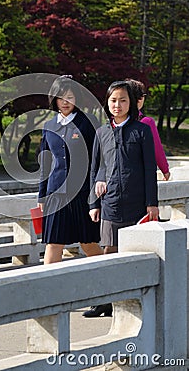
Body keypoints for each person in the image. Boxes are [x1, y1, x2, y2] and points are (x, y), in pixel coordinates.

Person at [83, 81, 159, 318]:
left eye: (123, 100)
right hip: (110, 202)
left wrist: (152, 203)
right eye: (113, 100)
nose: (117, 105)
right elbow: (95, 169)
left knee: (135, 252)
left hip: (137, 203)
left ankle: (133, 301)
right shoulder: (101, 132)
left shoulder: (141, 131)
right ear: (107, 103)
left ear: (131, 103)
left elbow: (149, 170)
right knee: (109, 251)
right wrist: (93, 203)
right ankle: (107, 301)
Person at [38, 75, 102, 264]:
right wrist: (42, 195)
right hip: (55, 194)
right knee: (53, 243)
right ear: (54, 99)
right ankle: (47, 288)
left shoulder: (88, 122)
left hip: (83, 194)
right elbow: (45, 163)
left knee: (88, 243)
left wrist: (95, 199)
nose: (65, 102)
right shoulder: (49, 126)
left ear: (77, 99)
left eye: (70, 97)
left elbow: (98, 161)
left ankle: (113, 277)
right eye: (61, 97)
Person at [126, 79, 170, 181]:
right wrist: (165, 170)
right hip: (139, 177)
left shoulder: (112, 122)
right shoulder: (146, 122)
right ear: (140, 98)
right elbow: (156, 148)